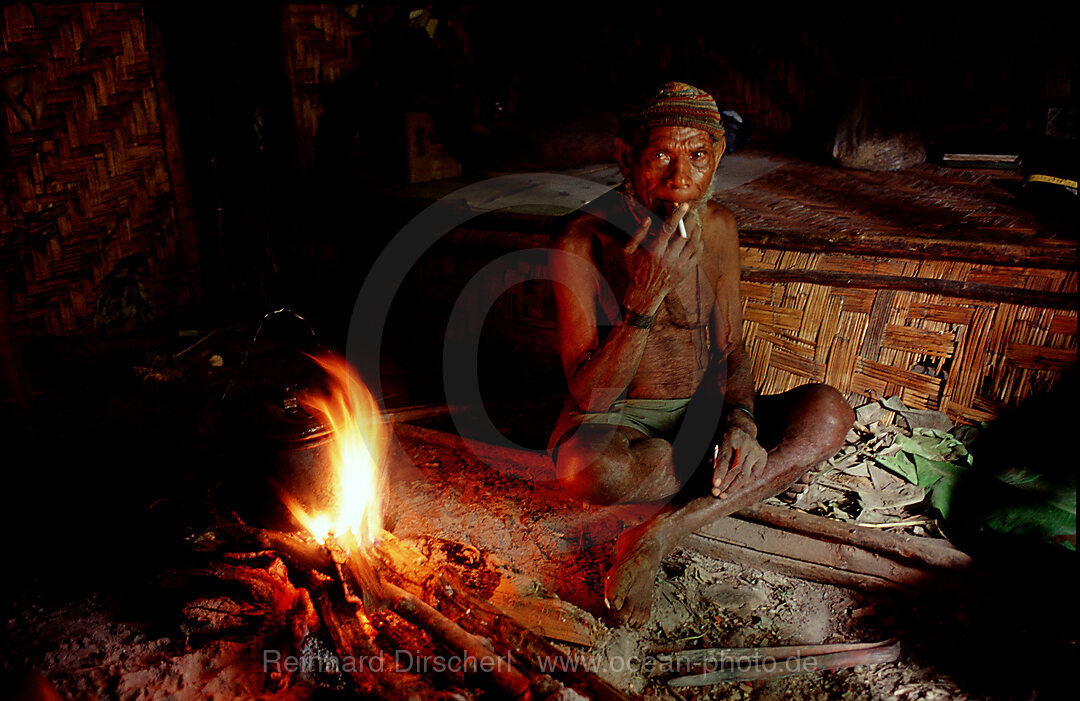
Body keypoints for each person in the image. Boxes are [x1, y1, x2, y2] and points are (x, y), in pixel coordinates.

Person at [547, 82, 855, 627]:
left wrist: (741, 422)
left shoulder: (718, 228)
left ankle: (662, 531)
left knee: (828, 413)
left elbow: (730, 347)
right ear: (625, 156)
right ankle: (727, 486)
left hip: (706, 417)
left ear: (718, 156)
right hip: (624, 425)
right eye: (661, 156)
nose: (680, 179)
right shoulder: (582, 239)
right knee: (588, 469)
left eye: (698, 157)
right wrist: (641, 302)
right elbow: (587, 395)